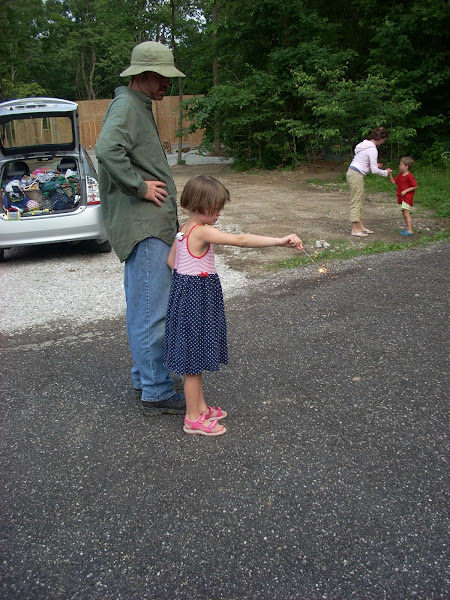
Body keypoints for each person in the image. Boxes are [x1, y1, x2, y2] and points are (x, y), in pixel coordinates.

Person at [163, 175, 303, 437]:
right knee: (193, 363)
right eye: (214, 208)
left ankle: (200, 407)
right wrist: (279, 241)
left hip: (187, 298)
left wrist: (190, 281)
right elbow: (240, 240)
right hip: (197, 300)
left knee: (197, 357)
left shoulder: (184, 228)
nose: (218, 213)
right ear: (199, 204)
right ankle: (193, 419)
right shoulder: (202, 231)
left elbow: (173, 262)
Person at [95, 41, 187, 416]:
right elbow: (106, 148)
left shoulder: (137, 105)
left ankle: (144, 375)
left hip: (146, 225)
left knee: (143, 305)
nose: (167, 83)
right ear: (143, 75)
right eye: (163, 77)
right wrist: (140, 185)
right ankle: (156, 389)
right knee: (153, 310)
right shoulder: (127, 106)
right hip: (144, 225)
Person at [346, 127, 392, 237]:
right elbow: (375, 171)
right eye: (384, 140)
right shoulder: (372, 149)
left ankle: (361, 226)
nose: (384, 142)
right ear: (381, 138)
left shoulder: (366, 145)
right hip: (356, 174)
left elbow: (368, 165)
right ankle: (354, 229)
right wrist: (386, 172)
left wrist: (375, 165)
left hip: (355, 173)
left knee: (361, 200)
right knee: (357, 200)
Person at [388, 156, 418, 236]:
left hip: (407, 198)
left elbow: (415, 186)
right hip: (401, 198)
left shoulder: (409, 176)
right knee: (404, 213)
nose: (399, 166)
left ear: (406, 167)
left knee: (406, 213)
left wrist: (405, 191)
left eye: (401, 165)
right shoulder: (400, 175)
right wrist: (390, 174)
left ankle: (410, 230)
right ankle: (408, 228)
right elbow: (393, 182)